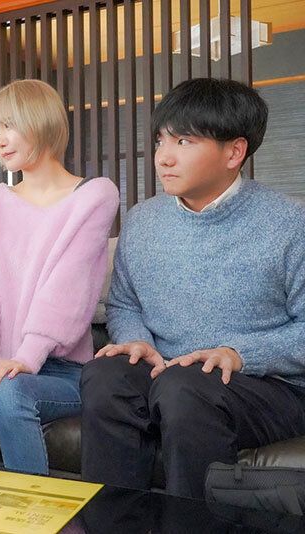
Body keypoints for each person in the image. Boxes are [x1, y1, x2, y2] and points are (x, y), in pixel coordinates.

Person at [81, 78, 305, 499]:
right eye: (161, 140)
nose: (163, 157)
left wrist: (239, 354)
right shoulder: (143, 221)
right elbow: (125, 304)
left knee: (183, 387)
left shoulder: (290, 224)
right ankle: (113, 521)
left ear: (234, 152)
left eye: (183, 141)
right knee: (105, 376)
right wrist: (136, 341)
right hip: (169, 371)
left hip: (269, 386)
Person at [0, 79, 119, 475]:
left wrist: (25, 359)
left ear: (41, 121)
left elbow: (68, 290)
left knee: (10, 393)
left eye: (9, 126)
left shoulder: (94, 195)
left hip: (63, 370)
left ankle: (34, 508)